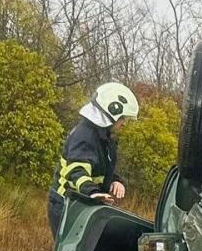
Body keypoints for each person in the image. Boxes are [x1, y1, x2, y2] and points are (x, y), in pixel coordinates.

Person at [47, 82, 140, 237]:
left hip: (83, 203)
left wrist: (115, 180)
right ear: (111, 114)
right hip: (67, 205)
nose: (123, 123)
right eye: (122, 118)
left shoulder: (104, 138)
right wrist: (91, 192)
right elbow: (76, 171)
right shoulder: (84, 136)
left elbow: (100, 168)